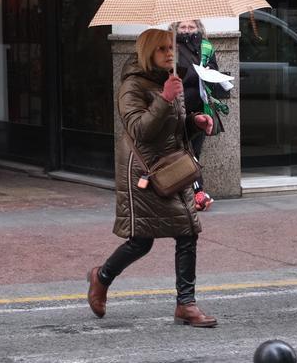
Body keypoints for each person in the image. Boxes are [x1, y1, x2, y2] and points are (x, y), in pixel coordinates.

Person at [86, 28, 217, 328]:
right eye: (161, 49)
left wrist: (194, 121)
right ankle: (101, 276)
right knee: (141, 241)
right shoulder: (131, 86)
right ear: (148, 53)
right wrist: (164, 99)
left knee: (187, 232)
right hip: (145, 172)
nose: (170, 54)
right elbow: (140, 131)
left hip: (172, 168)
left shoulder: (171, 78)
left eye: (170, 48)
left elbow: (174, 126)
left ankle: (186, 304)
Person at [169, 19, 231, 211]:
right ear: (176, 29)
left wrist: (209, 72)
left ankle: (193, 193)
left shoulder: (205, 46)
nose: (187, 30)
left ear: (198, 28)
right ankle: (196, 192)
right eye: (183, 27)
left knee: (194, 151)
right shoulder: (170, 47)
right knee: (181, 151)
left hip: (200, 108)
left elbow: (214, 68)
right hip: (177, 107)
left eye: (191, 27)